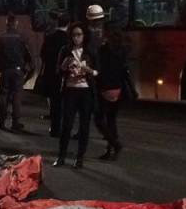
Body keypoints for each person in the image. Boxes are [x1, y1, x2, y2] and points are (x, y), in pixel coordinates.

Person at [54, 22, 98, 169]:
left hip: (85, 91)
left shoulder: (90, 51)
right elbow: (58, 72)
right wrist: (64, 67)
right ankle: (61, 156)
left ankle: (80, 158)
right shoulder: (65, 50)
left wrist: (89, 70)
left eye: (79, 35)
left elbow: (98, 72)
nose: (76, 38)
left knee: (84, 125)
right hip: (70, 90)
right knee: (66, 124)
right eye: (73, 35)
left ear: (84, 36)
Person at [95, 20, 134, 160]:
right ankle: (110, 150)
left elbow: (100, 70)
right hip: (118, 88)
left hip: (105, 88)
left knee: (99, 120)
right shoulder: (122, 50)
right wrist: (132, 89)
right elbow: (125, 71)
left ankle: (114, 144)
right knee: (111, 120)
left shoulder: (104, 50)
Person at [0, 14, 32, 131]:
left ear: (7, 23)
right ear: (16, 23)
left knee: (3, 96)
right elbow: (28, 56)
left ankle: (1, 122)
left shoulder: (0, 38)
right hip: (18, 71)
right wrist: (26, 69)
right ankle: (15, 122)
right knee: (16, 97)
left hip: (5, 71)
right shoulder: (22, 37)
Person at [37, 13, 69, 137]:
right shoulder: (68, 39)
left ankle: (54, 129)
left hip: (51, 73)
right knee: (65, 103)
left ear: (57, 23)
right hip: (65, 75)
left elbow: (43, 54)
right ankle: (63, 128)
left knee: (55, 102)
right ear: (68, 24)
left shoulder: (49, 37)